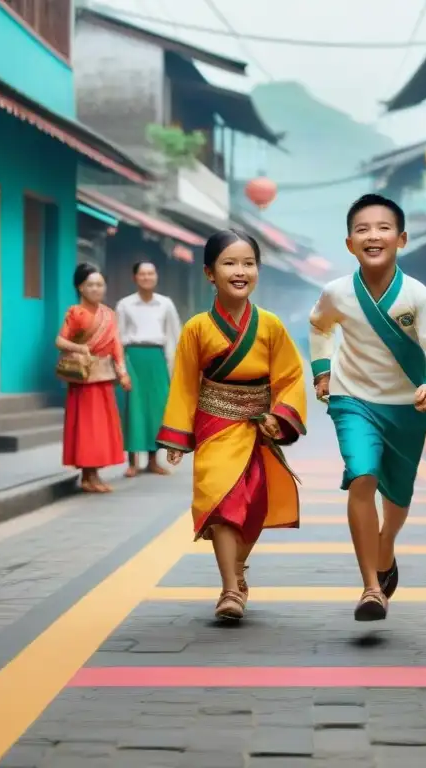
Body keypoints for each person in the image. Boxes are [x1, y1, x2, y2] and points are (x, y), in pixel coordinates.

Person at [310, 193, 426, 622]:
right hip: (352, 399)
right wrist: (322, 370)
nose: (373, 236)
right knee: (362, 476)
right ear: (349, 243)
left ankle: (386, 545)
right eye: (362, 229)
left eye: (383, 228)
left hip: (407, 406)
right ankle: (371, 588)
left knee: (398, 493)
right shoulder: (336, 292)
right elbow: (319, 326)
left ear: (402, 238)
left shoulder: (417, 294)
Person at [159, 229, 307, 622]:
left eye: (248, 263)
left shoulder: (271, 325)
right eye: (229, 263)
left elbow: (291, 376)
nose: (240, 271)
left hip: (258, 427)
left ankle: (238, 571)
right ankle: (228, 589)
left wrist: (281, 415)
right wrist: (177, 435)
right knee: (221, 502)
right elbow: (185, 384)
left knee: (252, 506)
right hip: (214, 425)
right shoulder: (196, 328)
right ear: (209, 272)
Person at [56, 263, 129, 493]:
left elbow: (117, 345)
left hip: (104, 377)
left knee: (102, 428)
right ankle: (87, 476)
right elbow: (59, 341)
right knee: (87, 428)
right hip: (84, 378)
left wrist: (122, 372)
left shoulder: (109, 314)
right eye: (90, 285)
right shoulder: (75, 313)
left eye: (100, 284)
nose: (96, 289)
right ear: (80, 287)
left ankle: (95, 474)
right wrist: (80, 349)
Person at [116, 261, 181, 477]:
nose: (146, 277)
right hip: (134, 356)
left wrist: (174, 367)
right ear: (135, 278)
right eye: (142, 274)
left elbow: (174, 335)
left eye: (150, 273)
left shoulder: (165, 304)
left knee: (157, 409)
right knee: (134, 408)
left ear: (156, 277)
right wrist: (121, 367)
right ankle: (133, 461)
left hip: (157, 359)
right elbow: (118, 338)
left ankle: (154, 460)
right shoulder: (125, 305)